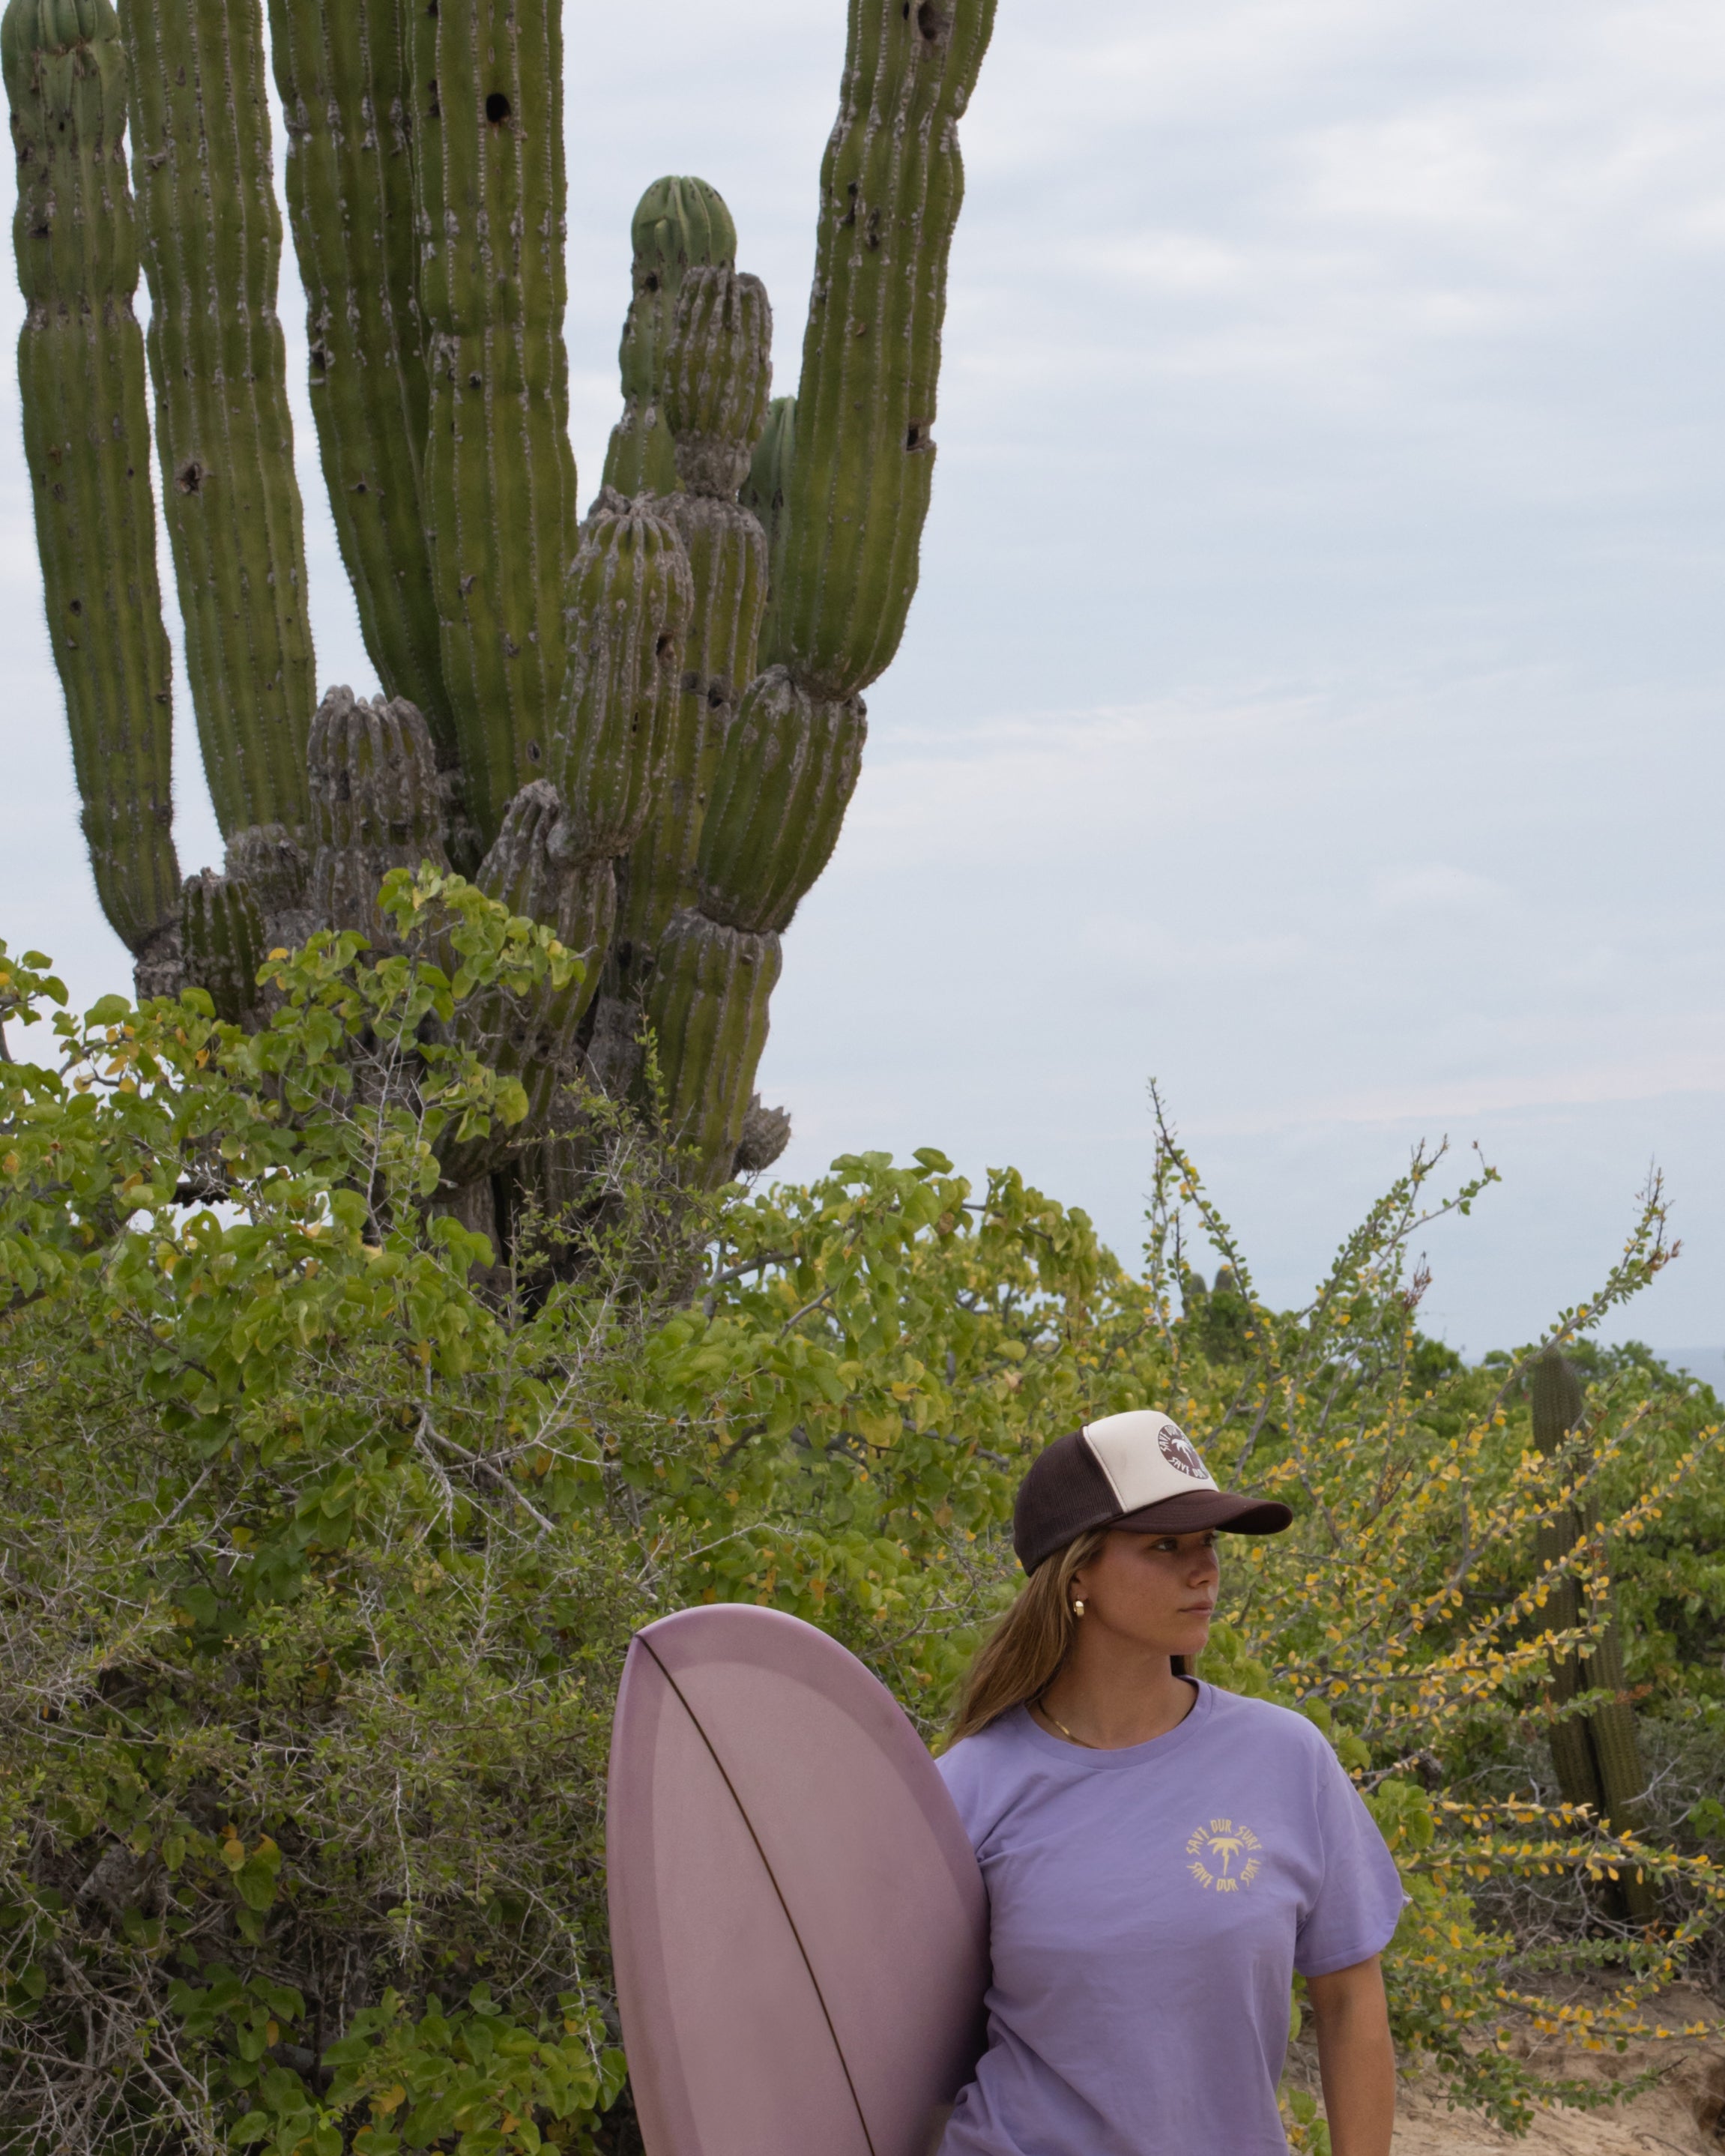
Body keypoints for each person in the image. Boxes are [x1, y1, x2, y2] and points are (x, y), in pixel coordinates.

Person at [935, 1409, 1404, 2156]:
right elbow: (903, 2048)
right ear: (1076, 1570)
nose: (1204, 1569)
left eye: (1208, 1543)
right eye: (1165, 1545)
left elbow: (1349, 2001)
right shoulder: (969, 1787)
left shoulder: (1285, 1758)